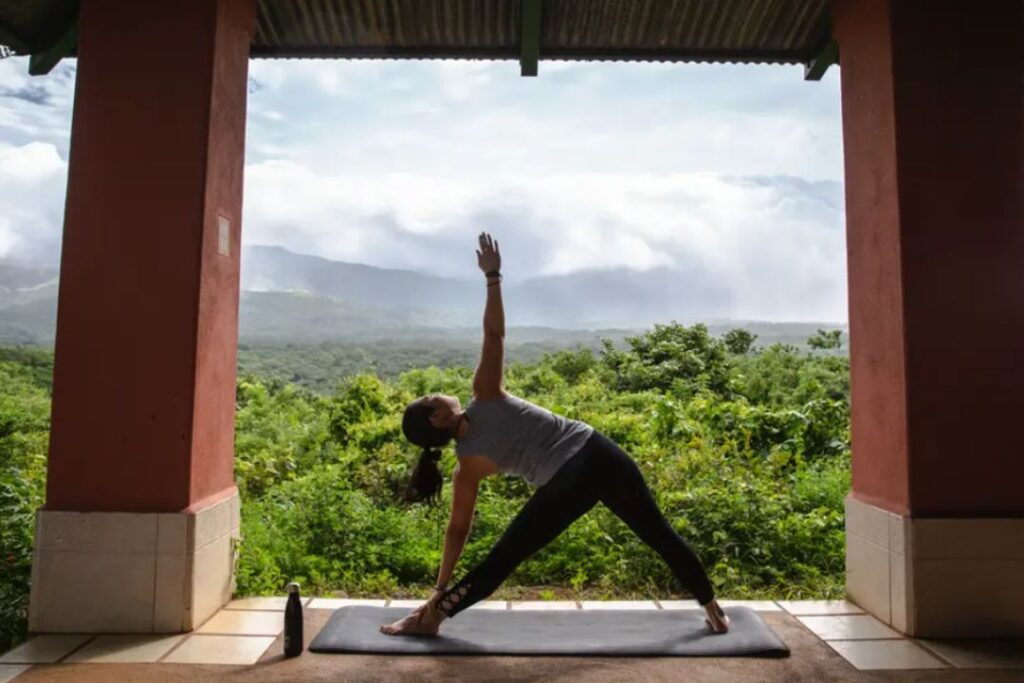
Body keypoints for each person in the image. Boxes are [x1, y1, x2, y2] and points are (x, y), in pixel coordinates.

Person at [380, 231, 729, 637]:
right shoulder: (484, 394)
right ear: (438, 418)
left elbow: (457, 531)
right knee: (657, 532)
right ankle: (713, 608)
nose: (435, 391)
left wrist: (440, 588)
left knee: (505, 557)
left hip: (570, 478)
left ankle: (432, 616)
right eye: (429, 397)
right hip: (598, 452)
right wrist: (493, 277)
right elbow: (494, 335)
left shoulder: (467, 466)